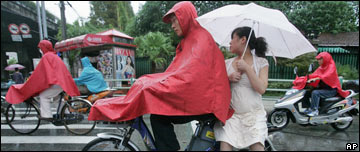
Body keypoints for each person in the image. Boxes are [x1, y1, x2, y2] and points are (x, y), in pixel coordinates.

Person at [88, 1, 232, 151]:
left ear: (186, 17)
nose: (172, 25)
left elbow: (191, 78)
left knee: (158, 117)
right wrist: (153, 82)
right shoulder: (190, 40)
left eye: (175, 20)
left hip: (208, 103)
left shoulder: (201, 39)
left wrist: (157, 85)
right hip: (201, 98)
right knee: (146, 88)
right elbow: (176, 73)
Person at [214, 27, 269, 151]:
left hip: (254, 116)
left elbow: (261, 88)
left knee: (257, 147)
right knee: (225, 147)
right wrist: (228, 78)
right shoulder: (226, 63)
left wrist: (247, 69)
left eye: (233, 38)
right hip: (231, 117)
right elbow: (215, 86)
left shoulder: (261, 62)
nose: (230, 43)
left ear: (243, 39)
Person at [5, 40, 80, 122]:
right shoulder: (54, 56)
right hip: (62, 82)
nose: (40, 50)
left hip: (57, 83)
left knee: (43, 96)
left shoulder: (46, 57)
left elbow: (39, 73)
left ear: (43, 48)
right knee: (56, 98)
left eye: (40, 48)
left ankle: (47, 115)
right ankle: (64, 113)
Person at [305, 52, 350, 116]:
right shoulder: (321, 67)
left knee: (315, 93)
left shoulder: (331, 66)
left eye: (320, 59)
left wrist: (316, 78)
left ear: (325, 59)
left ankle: (315, 110)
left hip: (331, 90)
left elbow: (327, 75)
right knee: (306, 92)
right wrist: (305, 79)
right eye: (318, 59)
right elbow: (314, 74)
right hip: (324, 89)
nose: (318, 61)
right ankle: (309, 108)